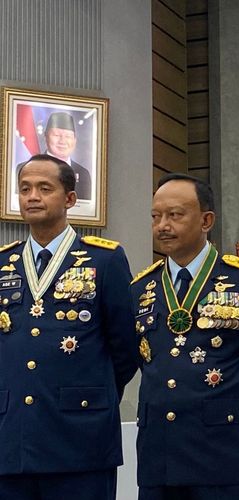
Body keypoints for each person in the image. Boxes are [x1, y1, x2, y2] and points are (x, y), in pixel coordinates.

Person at [132, 173, 239, 500]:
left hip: (224, 455)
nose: (162, 225)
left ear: (206, 220)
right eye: (156, 216)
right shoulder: (141, 288)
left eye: (175, 215)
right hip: (159, 456)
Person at [0, 153, 137, 500]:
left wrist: (91, 393)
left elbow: (126, 348)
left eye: (44, 188)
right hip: (11, 438)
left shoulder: (105, 259)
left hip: (80, 437)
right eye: (25, 189)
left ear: (70, 199)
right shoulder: (3, 262)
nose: (32, 196)